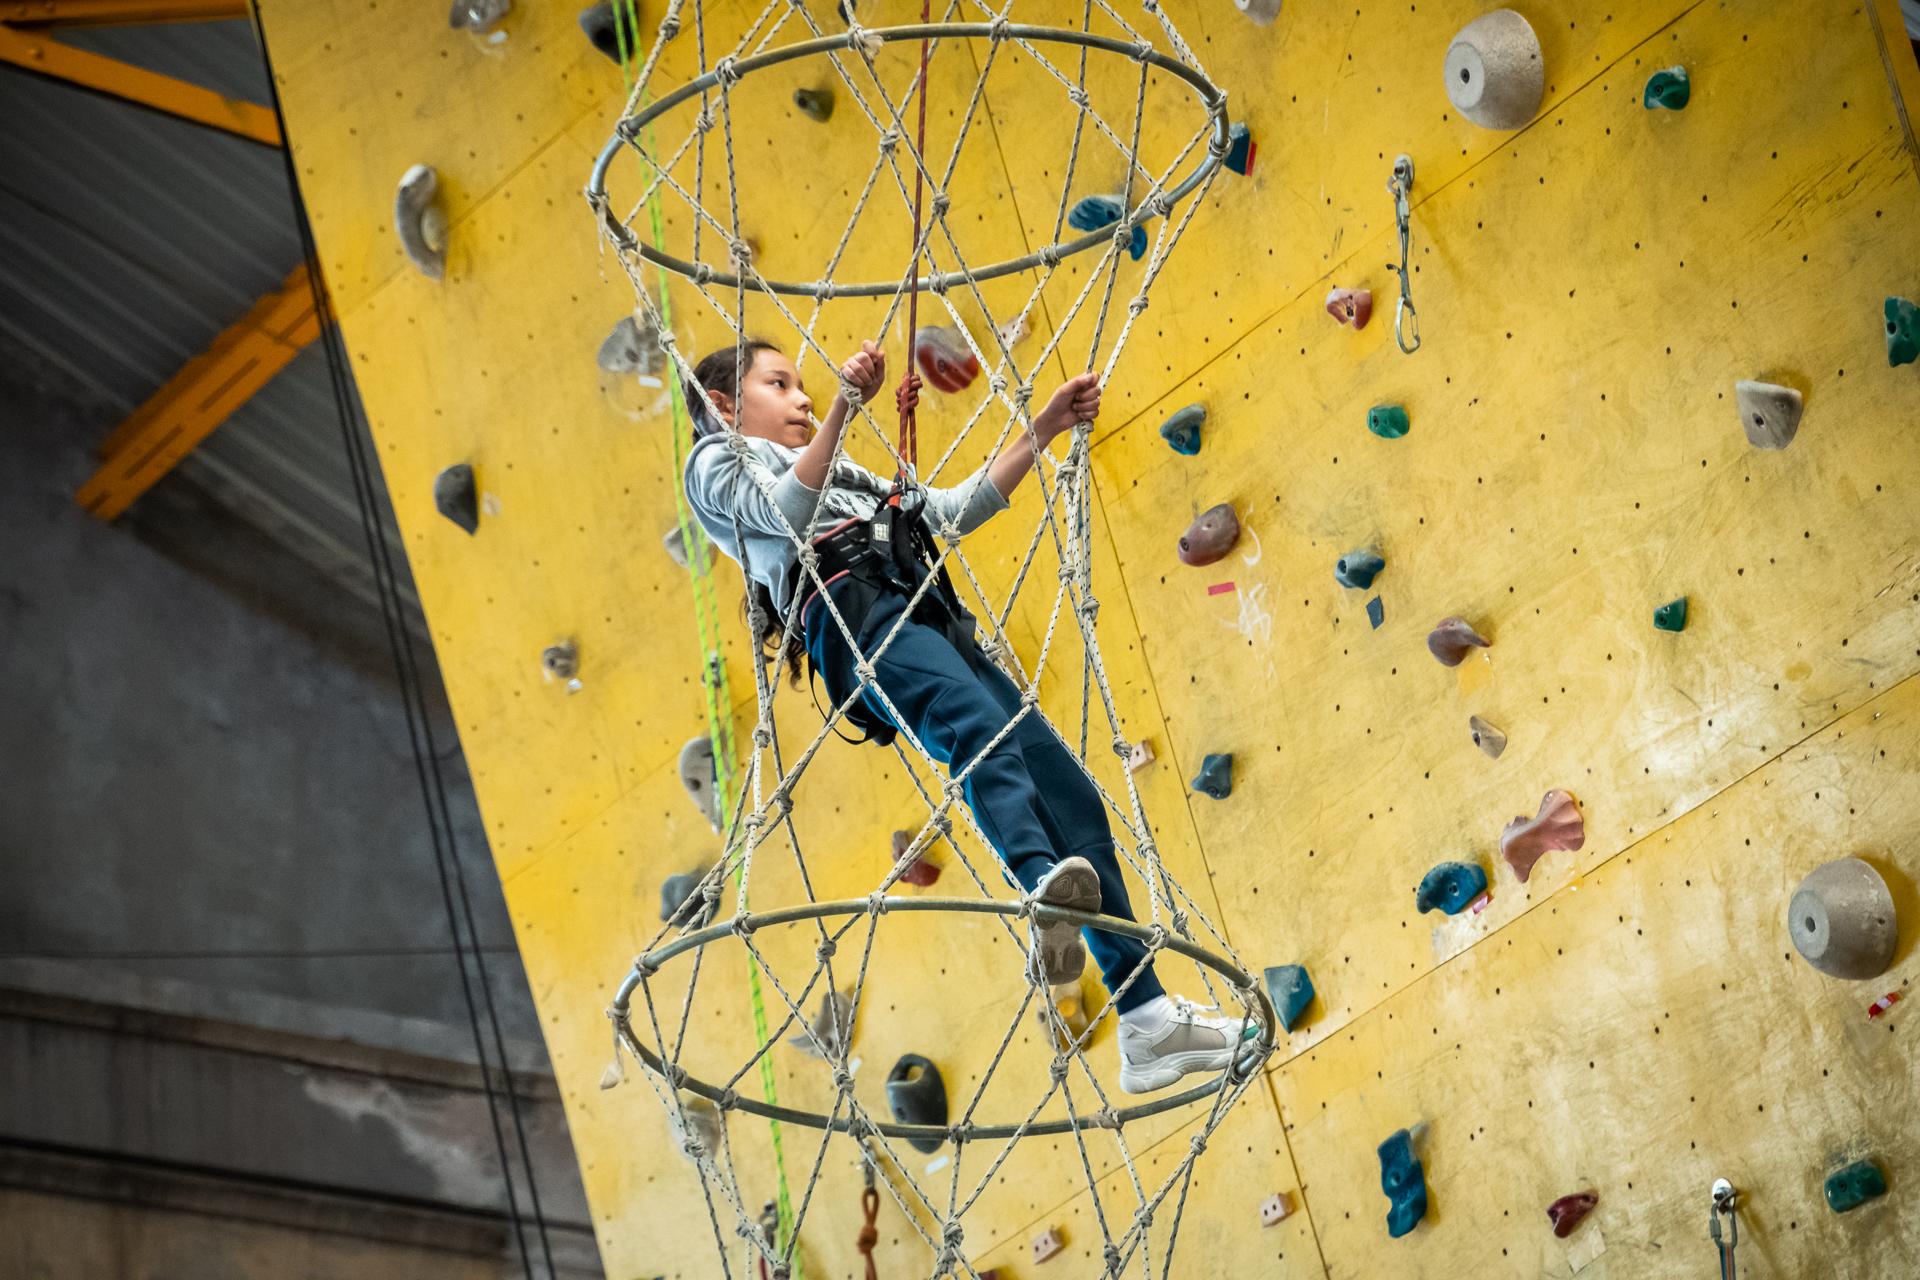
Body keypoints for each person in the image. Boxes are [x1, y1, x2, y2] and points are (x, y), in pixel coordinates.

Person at [681, 337, 1241, 1094]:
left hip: (927, 617)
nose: (803, 397)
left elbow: (948, 511)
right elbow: (781, 515)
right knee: (972, 728)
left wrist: (1041, 430)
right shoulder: (717, 463)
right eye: (780, 384)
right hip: (858, 621)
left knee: (1065, 789)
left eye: (806, 387)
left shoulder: (843, 471)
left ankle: (1145, 1020)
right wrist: (847, 406)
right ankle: (1044, 889)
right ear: (724, 405)